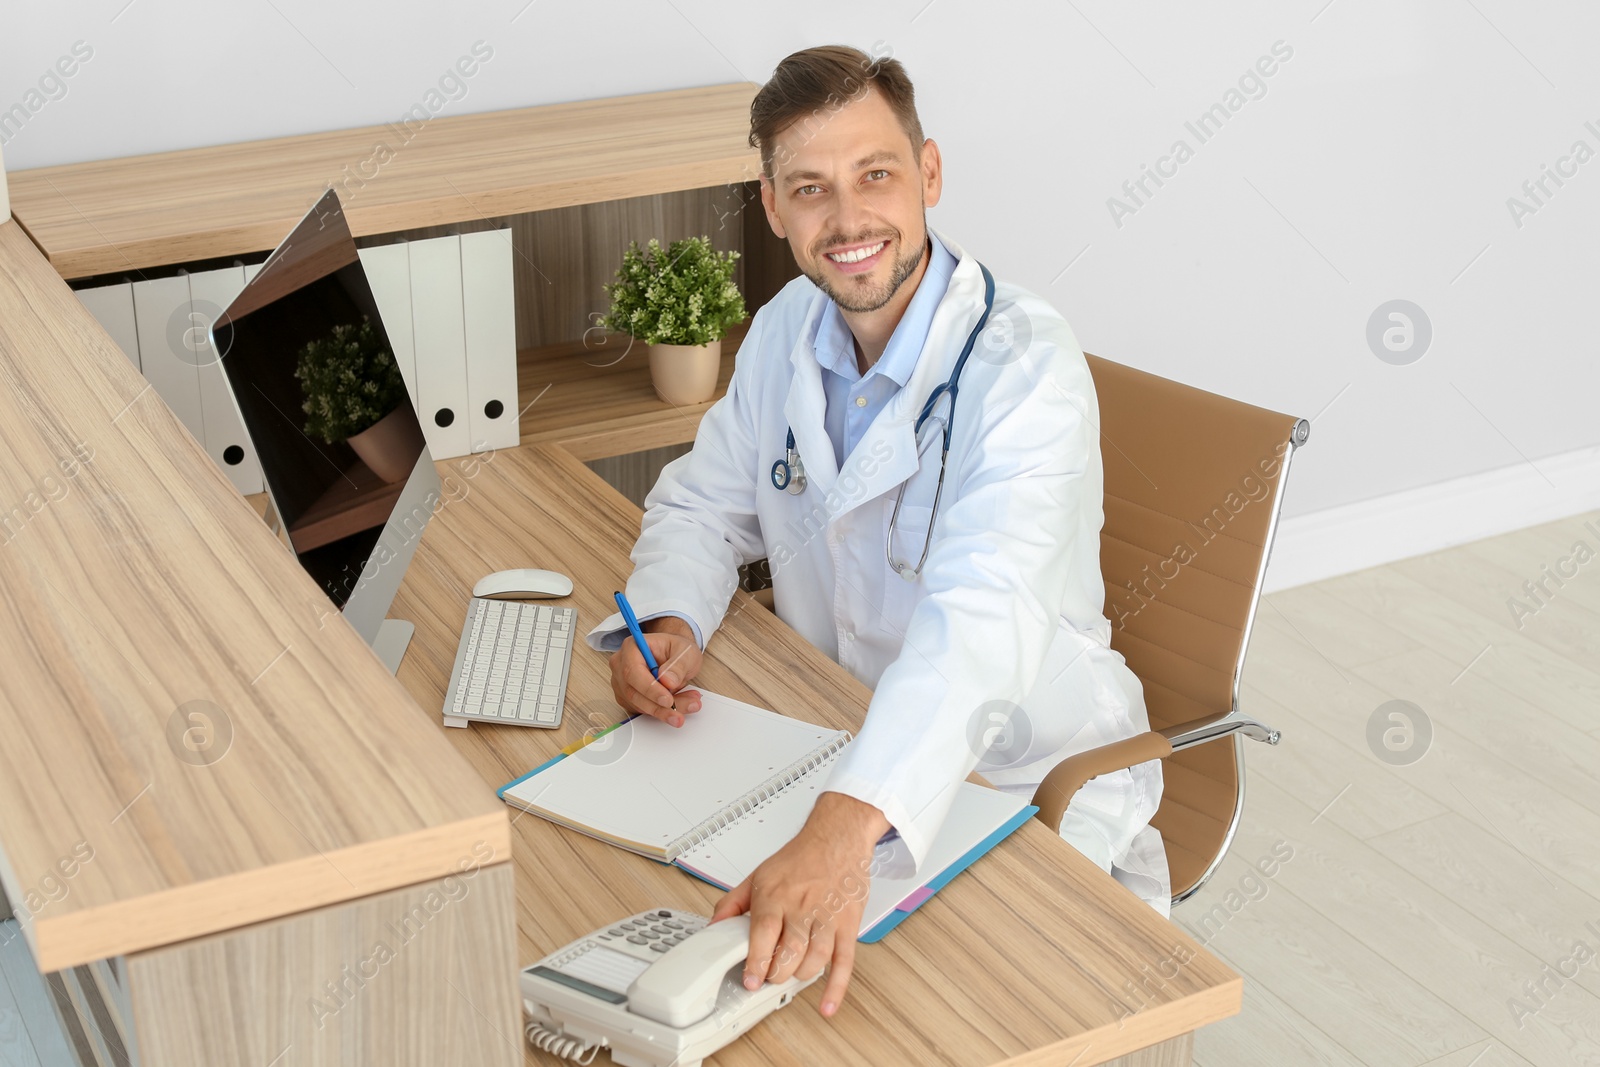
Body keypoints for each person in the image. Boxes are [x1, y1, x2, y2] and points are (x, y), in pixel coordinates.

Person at [585, 43, 1165, 1019]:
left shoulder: (1025, 368)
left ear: (928, 174)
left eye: (876, 175)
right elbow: (700, 506)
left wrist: (845, 826)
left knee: (906, 1016)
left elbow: (981, 625)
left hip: (1024, 772)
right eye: (809, 188)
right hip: (834, 736)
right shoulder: (780, 333)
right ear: (771, 208)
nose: (848, 220)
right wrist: (672, 617)